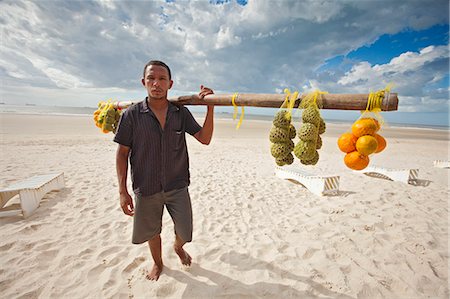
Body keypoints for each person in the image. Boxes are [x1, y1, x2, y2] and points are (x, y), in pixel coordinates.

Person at [114, 60, 214, 281]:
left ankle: (178, 247)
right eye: (151, 78)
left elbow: (205, 139)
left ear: (170, 83)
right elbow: (122, 154)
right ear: (144, 82)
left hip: (177, 185)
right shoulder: (131, 115)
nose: (156, 83)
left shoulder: (180, 113)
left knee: (186, 231)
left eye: (161, 79)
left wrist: (210, 106)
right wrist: (122, 191)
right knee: (152, 231)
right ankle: (158, 263)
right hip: (146, 186)